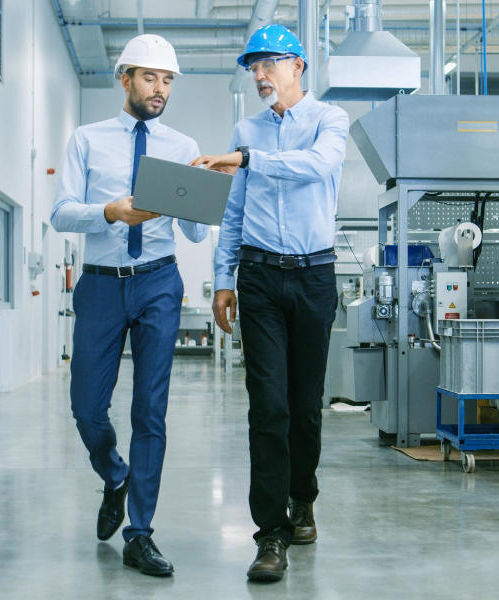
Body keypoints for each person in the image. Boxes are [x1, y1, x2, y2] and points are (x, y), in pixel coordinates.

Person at [191, 24, 349, 582]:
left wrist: (248, 159)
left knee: (305, 407)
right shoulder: (246, 130)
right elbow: (234, 212)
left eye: (268, 64)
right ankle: (270, 534)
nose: (258, 75)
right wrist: (222, 277)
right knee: (269, 407)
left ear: (297, 66)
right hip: (258, 277)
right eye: (252, 67)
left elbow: (318, 166)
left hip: (314, 276)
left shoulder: (329, 120)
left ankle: (303, 497)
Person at [51, 34, 208, 577]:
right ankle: (114, 474)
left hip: (160, 281)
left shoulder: (182, 144)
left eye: (167, 80)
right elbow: (61, 213)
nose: (160, 89)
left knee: (150, 410)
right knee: (87, 407)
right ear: (125, 79)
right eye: (150, 78)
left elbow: (191, 232)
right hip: (100, 284)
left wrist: (207, 192)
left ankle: (140, 533)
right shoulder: (87, 140)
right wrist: (111, 212)